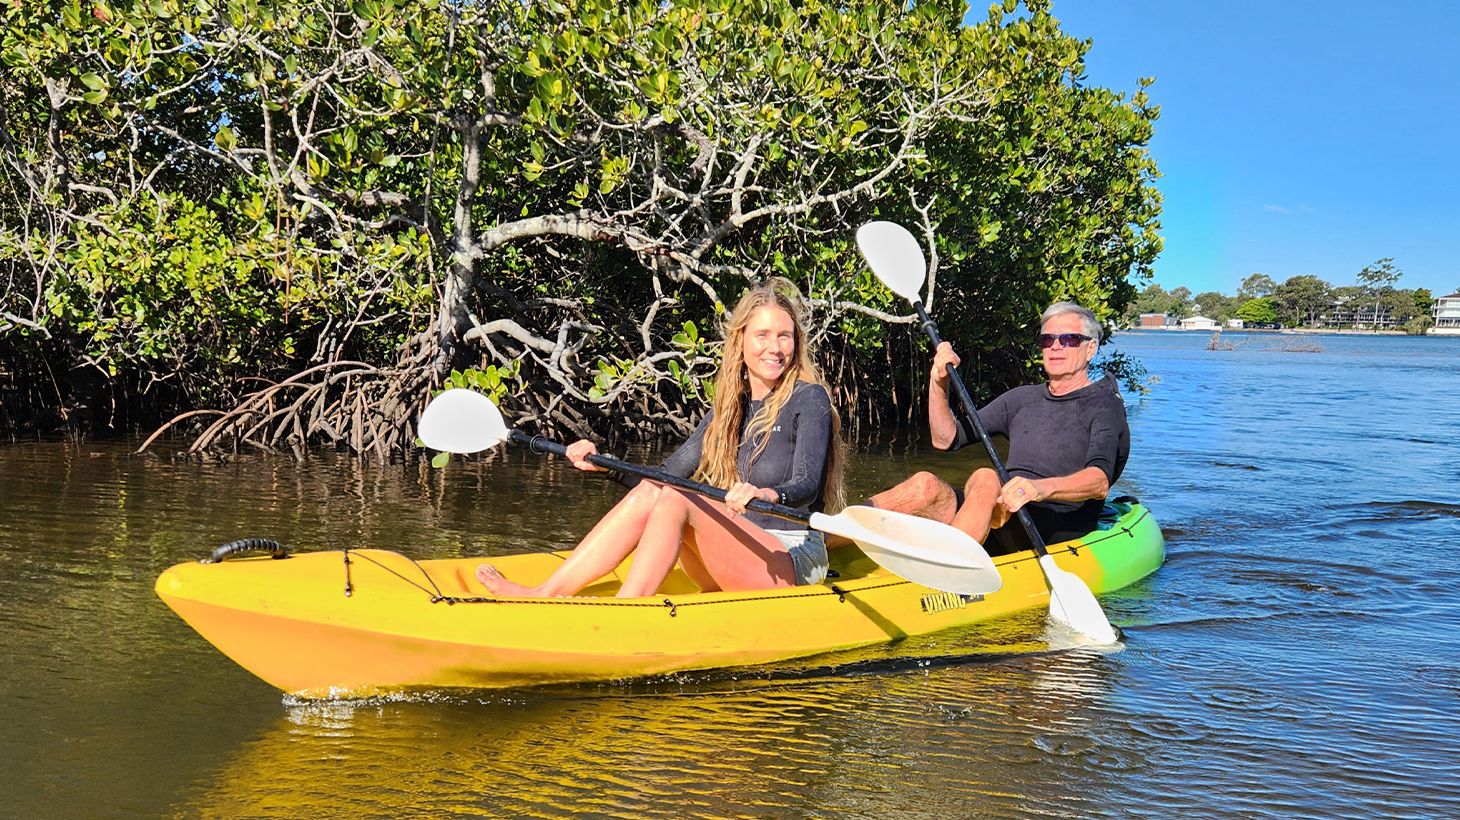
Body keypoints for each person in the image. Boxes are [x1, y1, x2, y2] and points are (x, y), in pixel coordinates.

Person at [475, 278, 845, 598]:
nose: (775, 348)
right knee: (660, 490)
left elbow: (807, 485)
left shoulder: (808, 398)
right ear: (741, 340)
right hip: (738, 551)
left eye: (784, 336)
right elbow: (666, 475)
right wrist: (604, 466)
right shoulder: (728, 409)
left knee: (678, 500)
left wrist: (765, 494)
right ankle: (547, 591)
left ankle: (627, 611)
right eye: (763, 335)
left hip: (791, 557)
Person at [856, 301, 1129, 552]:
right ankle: (823, 540)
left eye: (1068, 339)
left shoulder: (1105, 406)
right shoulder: (1021, 399)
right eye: (1047, 340)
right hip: (1002, 511)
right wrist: (938, 382)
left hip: (1053, 523)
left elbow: (1099, 482)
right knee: (924, 485)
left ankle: (951, 567)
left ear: (1090, 348)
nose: (1056, 346)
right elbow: (946, 438)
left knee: (987, 477)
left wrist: (1039, 489)